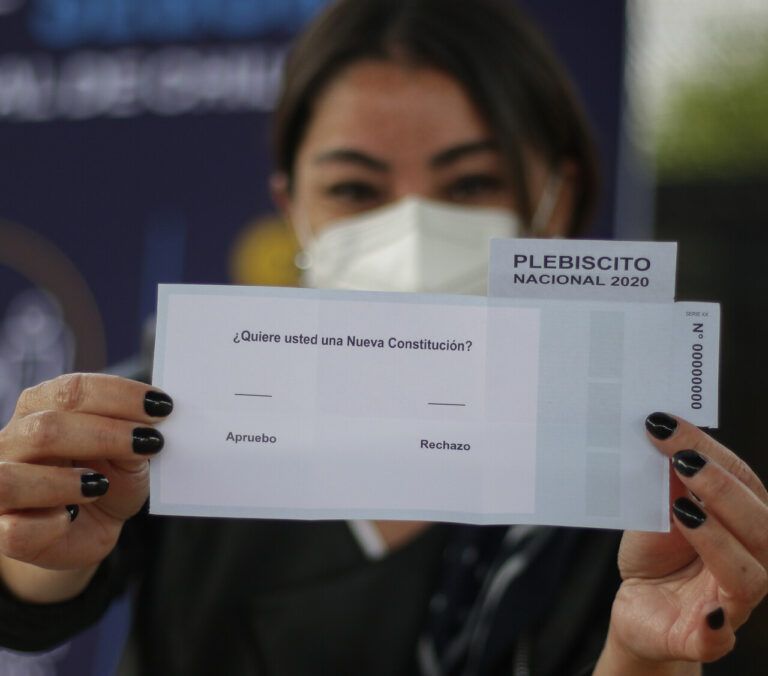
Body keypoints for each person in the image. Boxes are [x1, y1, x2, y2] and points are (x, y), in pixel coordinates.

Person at [0, 1, 766, 674]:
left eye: (470, 184)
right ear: (293, 210)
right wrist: (36, 534)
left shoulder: (644, 473)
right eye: (356, 190)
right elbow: (35, 596)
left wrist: (647, 656)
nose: (412, 229)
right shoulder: (186, 408)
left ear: (556, 203)